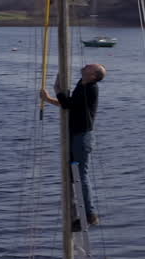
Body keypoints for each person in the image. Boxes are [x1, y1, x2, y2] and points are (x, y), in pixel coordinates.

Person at [41, 63, 105, 228]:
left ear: (93, 75)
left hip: (82, 137)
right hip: (75, 135)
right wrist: (49, 99)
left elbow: (68, 104)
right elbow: (70, 105)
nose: (86, 66)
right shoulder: (81, 84)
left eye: (90, 67)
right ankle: (77, 213)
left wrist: (56, 90)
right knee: (71, 175)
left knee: (81, 176)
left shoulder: (90, 89)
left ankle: (90, 215)